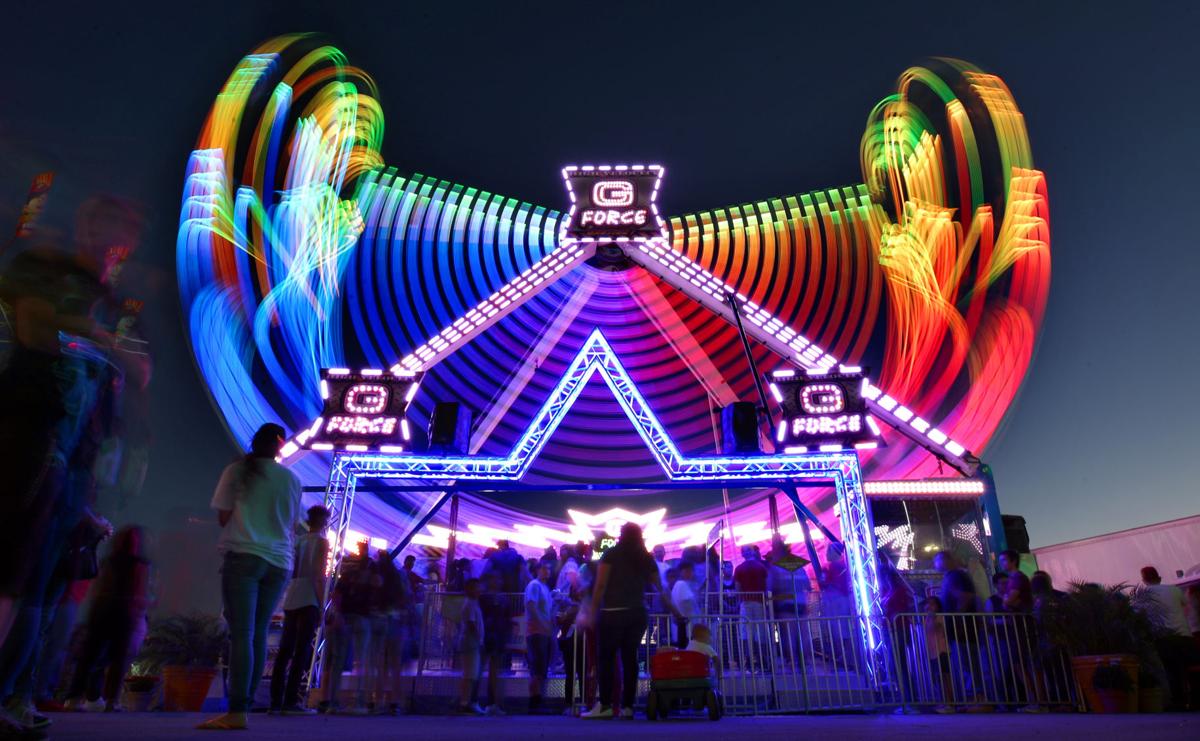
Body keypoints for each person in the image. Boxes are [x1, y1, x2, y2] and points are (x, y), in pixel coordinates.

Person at [198, 423, 302, 731]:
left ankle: (237, 710)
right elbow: (292, 523)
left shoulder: (237, 471)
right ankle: (246, 707)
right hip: (280, 561)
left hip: (244, 554)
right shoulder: (292, 479)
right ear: (281, 446)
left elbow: (222, 516)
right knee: (257, 633)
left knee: (241, 633)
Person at [581, 523, 677, 720]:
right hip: (637, 613)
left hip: (611, 613)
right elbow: (661, 589)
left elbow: (600, 586)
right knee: (630, 658)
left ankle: (606, 705)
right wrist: (675, 610)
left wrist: (592, 612)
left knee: (606, 659)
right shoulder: (646, 557)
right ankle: (628, 707)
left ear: (621, 535)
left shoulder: (611, 554)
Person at [62, 526, 150, 713]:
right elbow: (138, 590)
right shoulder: (139, 563)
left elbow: (97, 587)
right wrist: (137, 611)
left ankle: (74, 698)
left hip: (101, 610)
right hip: (122, 611)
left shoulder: (107, 561)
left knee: (89, 656)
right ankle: (111, 700)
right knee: (118, 658)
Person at [269, 505, 330, 715]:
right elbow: (317, 574)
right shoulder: (322, 542)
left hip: (292, 594)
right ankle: (291, 701)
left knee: (285, 650)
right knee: (302, 650)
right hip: (308, 597)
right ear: (323, 521)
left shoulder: (298, 541)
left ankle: (275, 701)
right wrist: (322, 604)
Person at [1139, 566, 1200, 709]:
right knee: (1193, 669)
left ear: (1144, 580)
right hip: (1184, 635)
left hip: (1164, 638)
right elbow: (1186, 606)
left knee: (1172, 671)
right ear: (1159, 577)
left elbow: (1139, 616)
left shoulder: (1144, 595)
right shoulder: (1174, 590)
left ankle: (1179, 702)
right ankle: (1197, 700)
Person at [478, 572, 511, 715]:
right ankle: (488, 702)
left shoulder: (490, 597)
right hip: (492, 634)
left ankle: (487, 702)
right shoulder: (496, 598)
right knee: (488, 670)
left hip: (493, 634)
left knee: (489, 670)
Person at [523, 561, 554, 713]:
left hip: (543, 632)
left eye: (548, 568)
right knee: (536, 667)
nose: (547, 571)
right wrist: (542, 623)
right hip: (536, 632)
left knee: (541, 667)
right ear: (537, 570)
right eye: (544, 568)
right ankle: (534, 702)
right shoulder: (534, 585)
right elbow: (531, 605)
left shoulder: (544, 588)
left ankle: (537, 700)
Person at [453, 579, 485, 715]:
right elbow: (471, 623)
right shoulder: (470, 604)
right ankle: (464, 703)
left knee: (470, 674)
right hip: (470, 643)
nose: (480, 590)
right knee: (470, 674)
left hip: (470, 642)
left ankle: (465, 702)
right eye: (477, 588)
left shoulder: (472, 603)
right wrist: (479, 638)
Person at [670, 561, 701, 648]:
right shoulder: (681, 584)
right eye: (688, 571)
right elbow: (688, 601)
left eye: (691, 571)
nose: (691, 573)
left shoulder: (682, 584)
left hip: (684, 624)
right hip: (685, 625)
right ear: (682, 572)